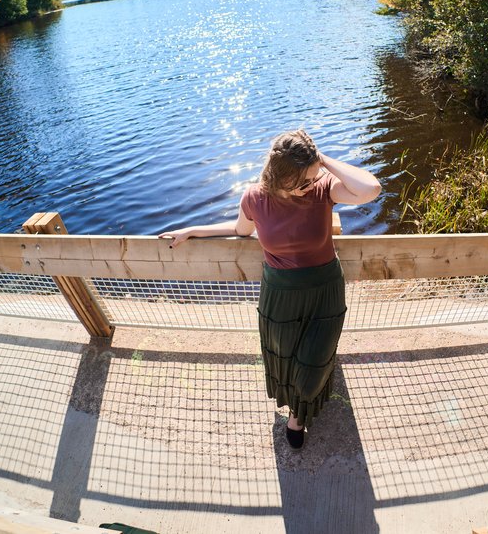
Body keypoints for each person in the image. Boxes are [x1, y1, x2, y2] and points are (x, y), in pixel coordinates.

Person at [159, 129, 381, 449]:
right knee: (286, 356)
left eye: (312, 178)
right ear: (282, 174)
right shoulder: (254, 197)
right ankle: (295, 404)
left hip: (324, 290)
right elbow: (239, 230)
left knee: (314, 359)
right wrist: (192, 230)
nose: (308, 186)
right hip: (281, 293)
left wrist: (322, 161)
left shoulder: (322, 189)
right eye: (302, 180)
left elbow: (370, 188)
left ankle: (298, 416)